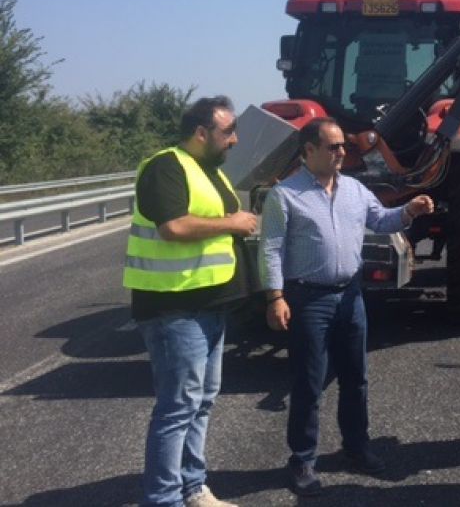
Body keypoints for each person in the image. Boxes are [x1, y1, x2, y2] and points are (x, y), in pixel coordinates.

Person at [258, 117, 434, 496]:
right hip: (308, 298)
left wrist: (409, 211)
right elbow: (270, 248)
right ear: (308, 151)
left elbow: (381, 220)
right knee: (309, 381)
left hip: (351, 296)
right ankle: (302, 458)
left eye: (342, 146)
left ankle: (356, 446)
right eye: (333, 147)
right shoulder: (285, 195)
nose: (342, 152)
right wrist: (275, 297)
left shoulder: (355, 189)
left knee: (356, 376)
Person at [125, 96, 259, 507]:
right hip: (174, 308)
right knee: (178, 408)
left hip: (209, 305)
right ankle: (163, 499)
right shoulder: (166, 166)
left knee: (201, 404)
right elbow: (174, 226)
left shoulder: (208, 170)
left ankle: (194, 489)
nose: (235, 140)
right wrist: (233, 222)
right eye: (228, 132)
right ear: (201, 133)